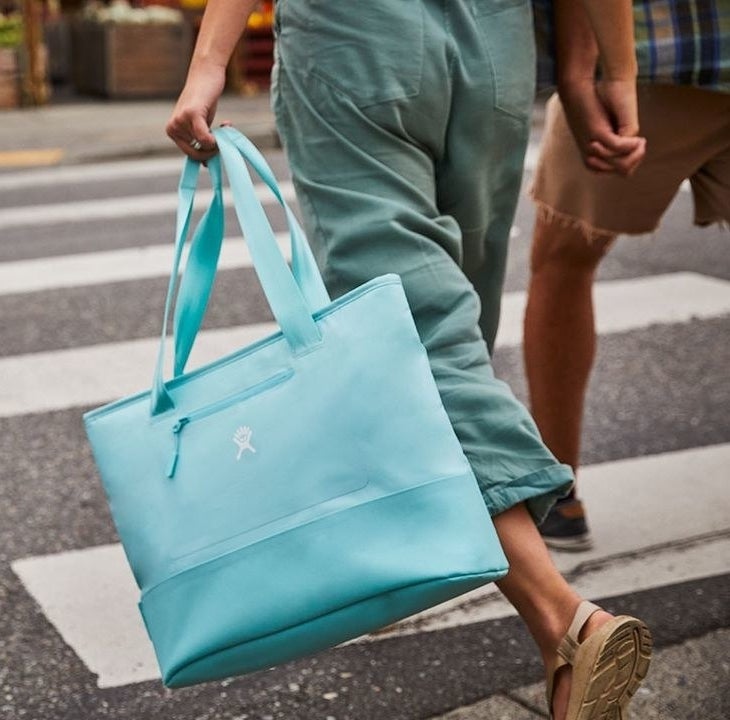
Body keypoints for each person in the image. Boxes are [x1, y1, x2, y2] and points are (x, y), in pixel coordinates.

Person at [167, 1, 652, 717]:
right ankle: (403, 529)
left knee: (414, 333)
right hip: (492, 44)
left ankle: (564, 622)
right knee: (457, 313)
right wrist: (608, 70)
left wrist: (210, 63)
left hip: (355, 38)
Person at [525, 0, 730, 551]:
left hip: (655, 52)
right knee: (563, 260)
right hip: (669, 51)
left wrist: (583, 70)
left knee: (563, 261)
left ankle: (557, 494)